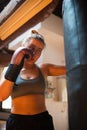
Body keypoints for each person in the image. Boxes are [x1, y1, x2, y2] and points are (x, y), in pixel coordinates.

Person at [0, 30, 66, 130]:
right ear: (23, 46)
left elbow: (71, 67)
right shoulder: (10, 70)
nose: (35, 52)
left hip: (42, 121)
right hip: (17, 122)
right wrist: (14, 66)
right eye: (31, 47)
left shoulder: (44, 69)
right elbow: (1, 96)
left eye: (39, 50)